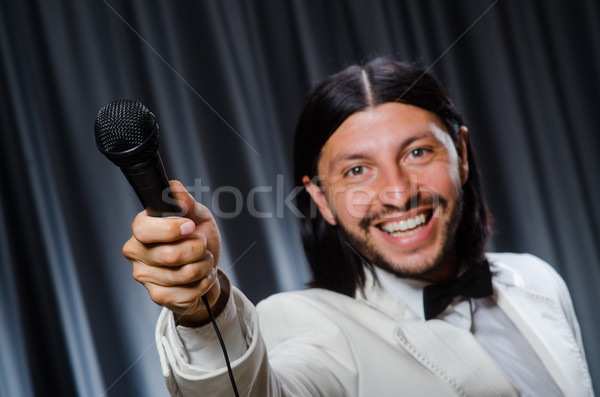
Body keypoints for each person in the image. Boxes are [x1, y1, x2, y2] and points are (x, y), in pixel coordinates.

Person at [123, 58, 594, 396]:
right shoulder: (309, 325)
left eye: (417, 153)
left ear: (462, 156)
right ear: (322, 200)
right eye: (356, 171)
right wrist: (203, 311)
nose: (397, 192)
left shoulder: (536, 280)